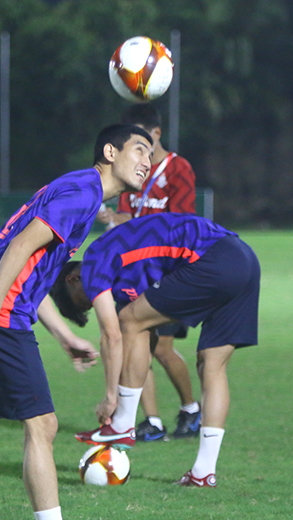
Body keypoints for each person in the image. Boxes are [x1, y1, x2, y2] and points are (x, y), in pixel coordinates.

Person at [0, 124, 153, 520]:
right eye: (139, 150)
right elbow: (21, 246)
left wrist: (64, 335)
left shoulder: (77, 186)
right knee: (42, 424)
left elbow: (32, 271)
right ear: (110, 152)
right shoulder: (83, 194)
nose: (147, 161)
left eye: (151, 155)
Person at [52, 213, 261, 487]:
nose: (93, 303)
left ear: (72, 279)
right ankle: (203, 473)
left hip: (213, 258)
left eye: (84, 302)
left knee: (129, 319)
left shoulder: (95, 260)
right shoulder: (126, 272)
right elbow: (143, 337)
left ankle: (123, 425)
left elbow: (113, 334)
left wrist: (111, 398)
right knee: (212, 364)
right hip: (244, 259)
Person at [96, 104, 200, 442]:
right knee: (136, 341)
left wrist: (135, 226)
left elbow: (181, 221)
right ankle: (151, 421)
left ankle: (191, 410)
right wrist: (112, 218)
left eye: (142, 140)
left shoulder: (178, 168)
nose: (137, 149)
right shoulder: (133, 171)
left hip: (169, 271)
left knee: (162, 348)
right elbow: (127, 216)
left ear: (156, 134)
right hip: (136, 270)